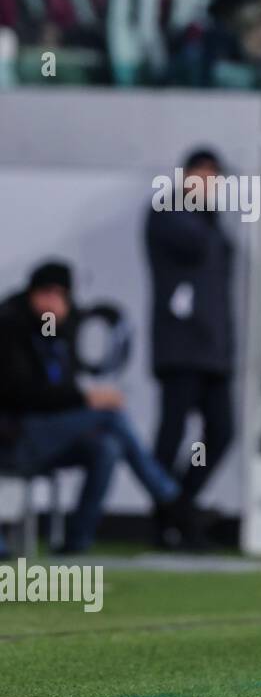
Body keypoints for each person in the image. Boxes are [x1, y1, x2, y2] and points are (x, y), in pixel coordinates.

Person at [0, 262, 190, 555]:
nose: (52, 301)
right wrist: (84, 399)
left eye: (60, 295)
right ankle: (170, 500)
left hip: (49, 437)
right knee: (110, 417)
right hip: (16, 435)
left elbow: (56, 388)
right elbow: (24, 395)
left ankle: (76, 543)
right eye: (46, 293)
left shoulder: (57, 336)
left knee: (107, 448)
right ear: (31, 293)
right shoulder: (10, 328)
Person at [145, 148, 236, 549]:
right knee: (172, 432)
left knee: (221, 431)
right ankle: (163, 519)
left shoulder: (210, 221)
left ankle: (179, 508)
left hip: (213, 348)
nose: (209, 183)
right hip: (180, 345)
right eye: (202, 174)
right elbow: (196, 247)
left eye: (214, 176)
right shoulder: (167, 212)